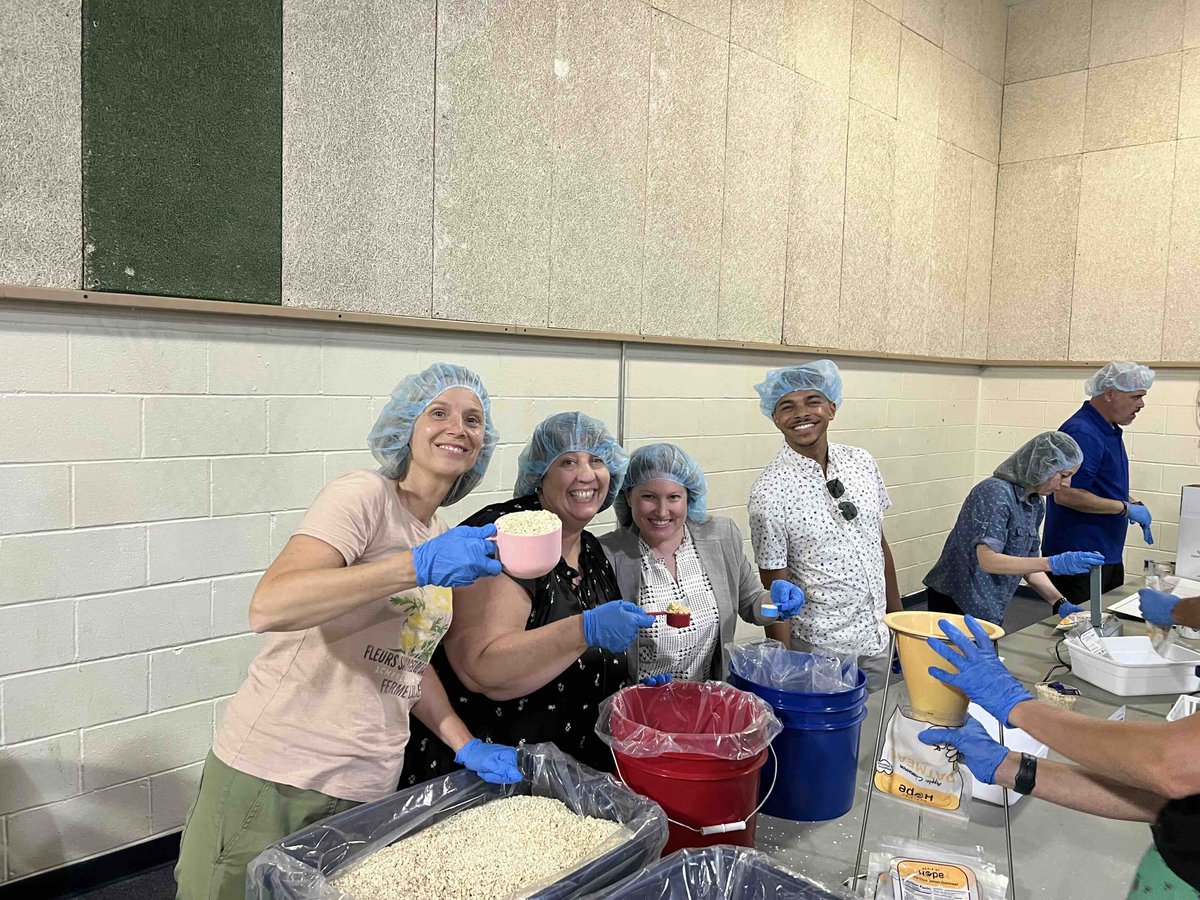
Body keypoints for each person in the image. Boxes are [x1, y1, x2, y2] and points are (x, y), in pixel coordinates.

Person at [175, 364, 522, 900]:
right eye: (439, 412)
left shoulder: (440, 535)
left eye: (473, 420)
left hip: (368, 783)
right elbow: (269, 607)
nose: (458, 427)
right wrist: (415, 566)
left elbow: (410, 659)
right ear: (406, 425)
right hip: (279, 771)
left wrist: (465, 742)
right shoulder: (363, 497)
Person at [398, 411, 646, 785]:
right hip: (493, 772)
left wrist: (634, 693)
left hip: (568, 773)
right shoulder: (505, 534)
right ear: (540, 475)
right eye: (567, 461)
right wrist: (584, 628)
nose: (586, 474)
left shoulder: (591, 550)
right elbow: (480, 669)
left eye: (597, 461)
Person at [919, 616, 1200, 898]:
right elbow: (1168, 802)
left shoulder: (1178, 767)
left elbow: (1173, 766)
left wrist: (1017, 705)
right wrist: (1008, 766)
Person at [748, 359, 901, 690]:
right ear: (775, 419)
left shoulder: (862, 462)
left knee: (877, 729)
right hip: (819, 652)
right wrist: (782, 663)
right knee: (831, 738)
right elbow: (775, 584)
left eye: (812, 401)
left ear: (832, 407)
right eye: (787, 406)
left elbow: (879, 545)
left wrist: (899, 623)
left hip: (877, 636)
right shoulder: (769, 491)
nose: (801, 413)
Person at [599, 443, 806, 684]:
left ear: (689, 496)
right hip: (640, 706)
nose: (662, 511)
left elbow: (751, 603)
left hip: (706, 701)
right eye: (648, 497)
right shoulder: (607, 554)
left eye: (674, 497)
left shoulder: (721, 537)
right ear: (628, 496)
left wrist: (776, 603)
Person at [922, 431, 1103, 625]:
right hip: (957, 599)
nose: (1067, 484)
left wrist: (1060, 602)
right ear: (1042, 466)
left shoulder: (1035, 503)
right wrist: (1052, 563)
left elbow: (1028, 564)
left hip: (989, 602)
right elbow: (988, 561)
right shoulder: (995, 492)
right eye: (1064, 475)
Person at [1043, 361, 1156, 602]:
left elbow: (1101, 485)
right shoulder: (1083, 431)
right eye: (1135, 397)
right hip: (1079, 555)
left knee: (1106, 623)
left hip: (1106, 551)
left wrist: (1133, 502)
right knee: (1081, 631)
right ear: (1109, 393)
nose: (1141, 404)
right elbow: (1064, 494)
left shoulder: (1108, 429)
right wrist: (1124, 508)